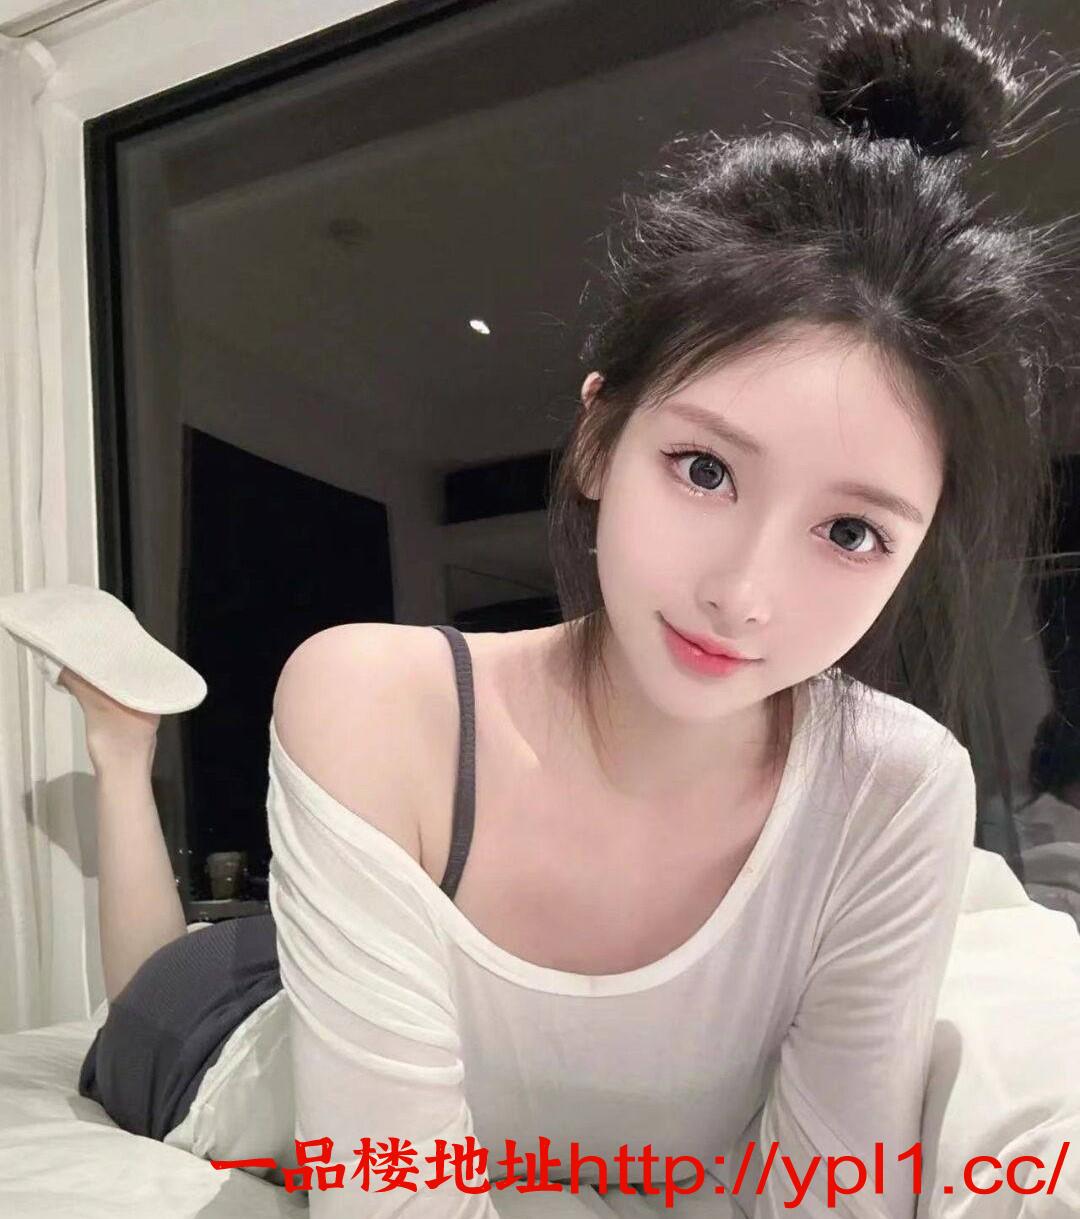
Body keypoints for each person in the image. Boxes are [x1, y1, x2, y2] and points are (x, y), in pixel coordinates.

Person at [57, 1, 1080, 1215]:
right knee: (145, 994)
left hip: (386, 970)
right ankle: (122, 748)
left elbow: (827, 1195)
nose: (744, 594)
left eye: (851, 531)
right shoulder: (374, 699)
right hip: (223, 1040)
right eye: (704, 468)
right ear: (598, 439)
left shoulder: (896, 789)